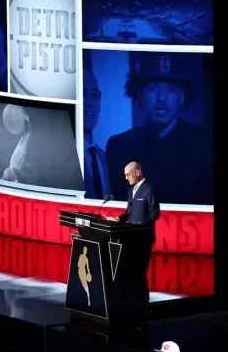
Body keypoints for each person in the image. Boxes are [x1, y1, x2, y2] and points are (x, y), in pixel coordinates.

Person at [105, 53, 211, 205]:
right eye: (153, 87)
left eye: (171, 89)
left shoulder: (204, 143)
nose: (162, 98)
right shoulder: (119, 146)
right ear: (139, 94)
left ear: (182, 97)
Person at [109, 162, 160, 317]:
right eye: (125, 175)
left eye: (128, 174)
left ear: (137, 172)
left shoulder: (148, 189)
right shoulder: (131, 190)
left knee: (140, 273)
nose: (126, 178)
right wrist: (118, 219)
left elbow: (155, 213)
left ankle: (143, 309)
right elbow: (129, 212)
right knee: (131, 274)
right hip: (131, 238)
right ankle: (132, 307)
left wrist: (141, 224)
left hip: (143, 239)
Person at [83, 69, 110, 199]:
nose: (89, 103)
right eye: (82, 94)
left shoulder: (104, 156)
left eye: (94, 95)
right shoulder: (61, 155)